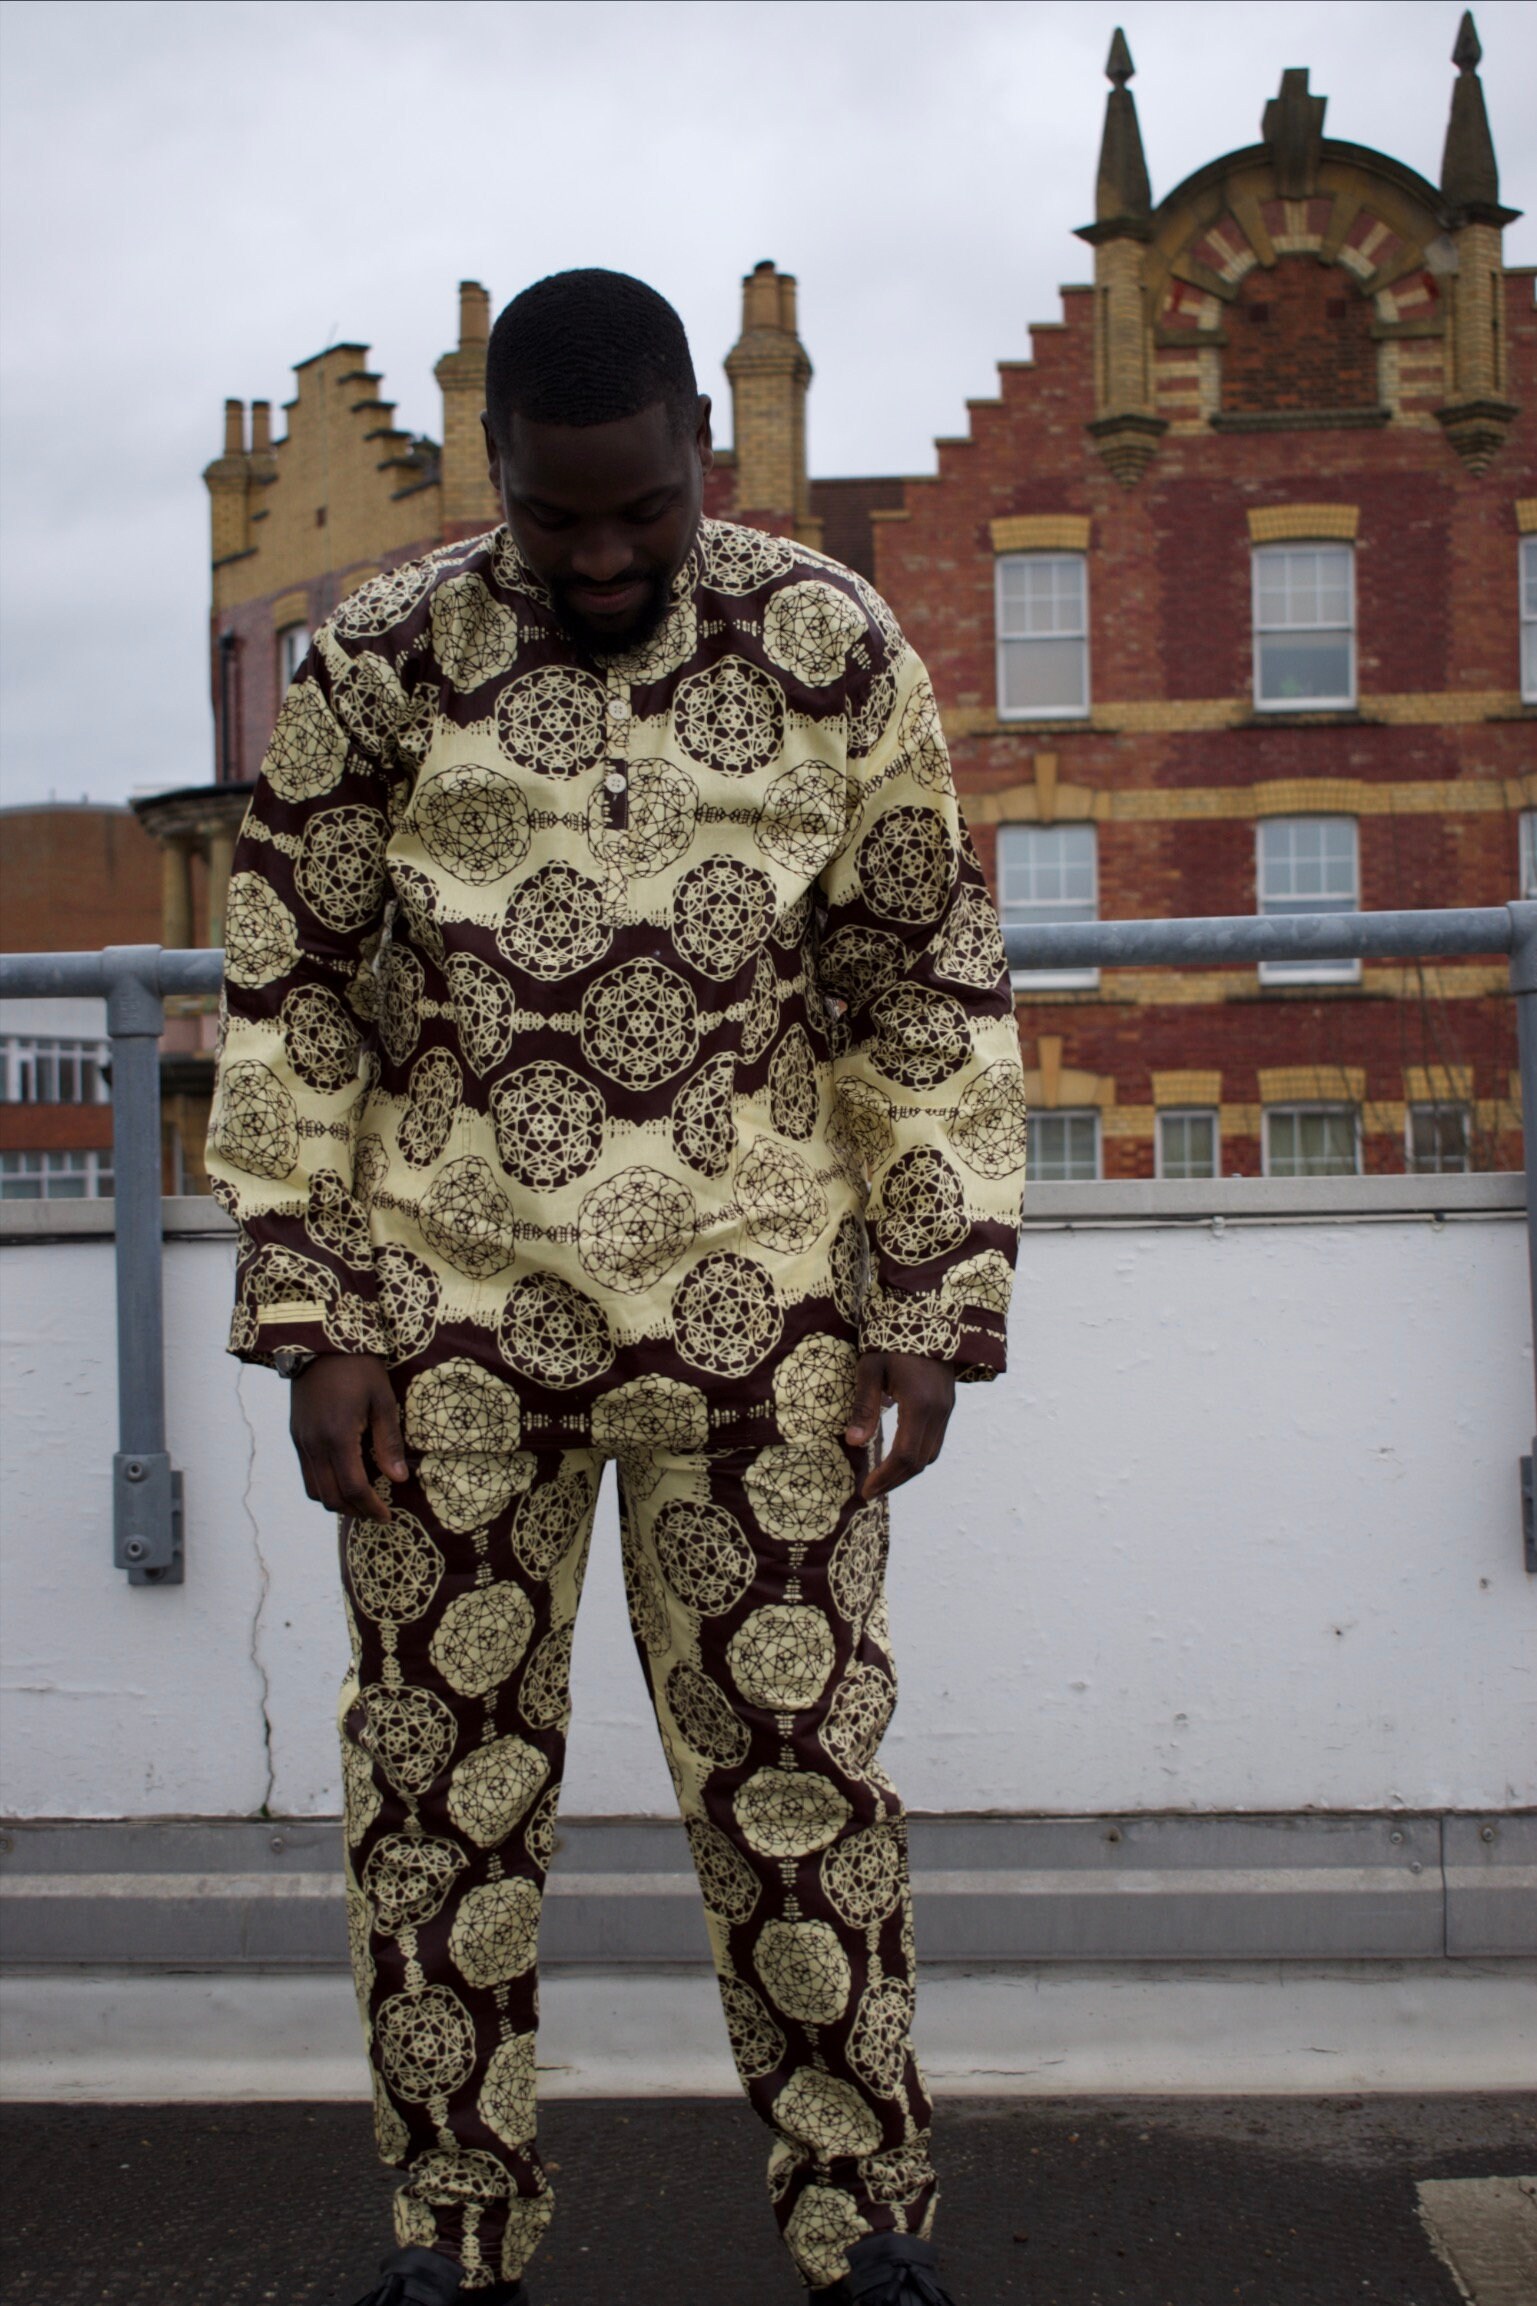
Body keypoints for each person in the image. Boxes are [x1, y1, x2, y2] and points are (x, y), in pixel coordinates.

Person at [206, 268, 1027, 2306]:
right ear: (496, 469)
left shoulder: (834, 647)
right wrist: (313, 1316)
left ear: (701, 459)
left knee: (804, 1797)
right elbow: (291, 988)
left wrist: (931, 1291)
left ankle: (865, 2237)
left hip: (766, 1340)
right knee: (436, 1807)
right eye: (554, 517)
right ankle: (452, 2240)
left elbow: (918, 980)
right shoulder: (377, 660)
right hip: (442, 1340)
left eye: (638, 514)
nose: (596, 556)